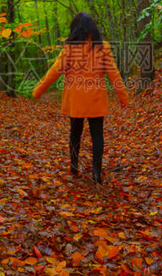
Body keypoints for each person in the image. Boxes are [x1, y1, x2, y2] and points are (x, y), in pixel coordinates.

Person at [32, 12, 128, 184]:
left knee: (75, 133)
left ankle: (74, 166)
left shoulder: (70, 48)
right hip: (96, 99)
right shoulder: (102, 47)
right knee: (97, 135)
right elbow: (113, 73)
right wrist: (123, 96)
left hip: (76, 100)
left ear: (75, 29)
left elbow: (55, 71)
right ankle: (96, 172)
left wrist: (39, 90)